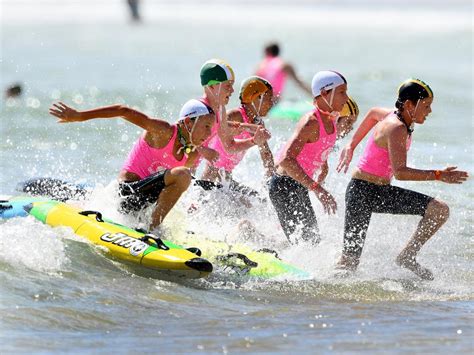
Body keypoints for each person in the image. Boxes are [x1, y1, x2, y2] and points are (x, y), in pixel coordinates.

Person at [336, 79, 469, 280]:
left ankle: (407, 256)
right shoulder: (396, 127)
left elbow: (372, 113)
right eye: (425, 106)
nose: (430, 111)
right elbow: (400, 172)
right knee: (349, 263)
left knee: (439, 210)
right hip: (362, 193)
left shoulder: (396, 117)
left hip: (379, 192)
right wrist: (439, 175)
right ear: (408, 105)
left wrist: (352, 145)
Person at [49, 99, 215, 231]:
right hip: (124, 194)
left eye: (211, 128)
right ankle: (152, 231)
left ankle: (152, 229)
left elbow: (175, 189)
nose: (208, 134)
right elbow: (123, 111)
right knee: (182, 174)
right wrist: (79, 116)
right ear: (188, 122)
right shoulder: (162, 131)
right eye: (206, 126)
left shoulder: (191, 154)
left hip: (144, 207)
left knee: (184, 176)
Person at [268, 70, 348, 244]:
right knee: (306, 243)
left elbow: (318, 147)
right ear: (325, 93)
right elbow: (286, 160)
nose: (346, 98)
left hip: (300, 185)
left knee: (312, 241)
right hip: (284, 187)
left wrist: (323, 166)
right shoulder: (311, 122)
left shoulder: (332, 119)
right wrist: (318, 189)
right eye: (342, 92)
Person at [201, 76, 275, 197]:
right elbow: (215, 123)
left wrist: (272, 177)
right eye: (269, 99)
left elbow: (265, 153)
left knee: (258, 200)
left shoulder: (257, 123)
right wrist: (245, 126)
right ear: (255, 98)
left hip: (227, 179)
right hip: (211, 178)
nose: (272, 103)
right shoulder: (236, 115)